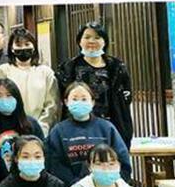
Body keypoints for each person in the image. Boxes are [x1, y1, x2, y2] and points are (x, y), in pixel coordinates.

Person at [56, 21, 134, 149]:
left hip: (112, 128)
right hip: (76, 129)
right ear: (79, 41)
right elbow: (61, 99)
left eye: (97, 37)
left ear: (105, 41)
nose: (91, 41)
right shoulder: (68, 68)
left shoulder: (117, 68)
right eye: (87, 37)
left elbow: (125, 99)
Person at [46, 82, 131, 187]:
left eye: (84, 99)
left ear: (92, 102)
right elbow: (54, 164)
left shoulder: (107, 128)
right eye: (75, 99)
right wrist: (76, 186)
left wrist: (111, 184)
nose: (79, 102)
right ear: (66, 102)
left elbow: (123, 160)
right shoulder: (58, 131)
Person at [0, 28, 59, 135]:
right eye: (18, 45)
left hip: (39, 129)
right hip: (10, 130)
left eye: (27, 44)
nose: (23, 48)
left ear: (34, 47)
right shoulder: (3, 71)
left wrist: (41, 128)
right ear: (11, 48)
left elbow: (51, 105)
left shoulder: (46, 72)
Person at [0, 78, 45, 182]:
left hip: (27, 180)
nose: (4, 99)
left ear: (17, 98)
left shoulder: (31, 124)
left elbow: (43, 153)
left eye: (8, 95)